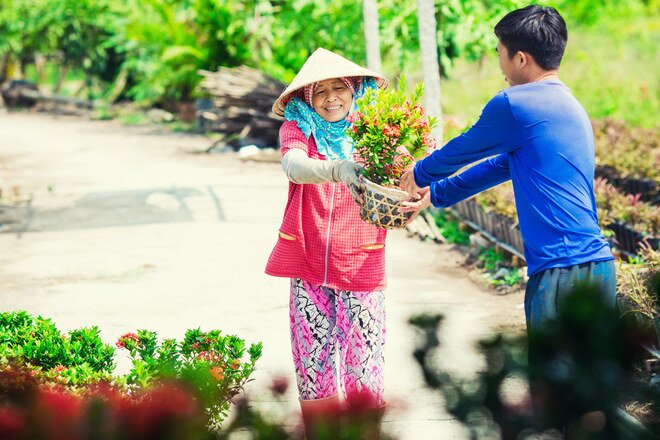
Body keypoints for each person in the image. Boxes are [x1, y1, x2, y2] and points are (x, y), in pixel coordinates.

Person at [400, 4, 616, 328]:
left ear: (521, 59)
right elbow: (499, 166)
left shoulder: (514, 104)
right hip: (598, 267)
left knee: (551, 378)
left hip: (561, 273)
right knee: (591, 378)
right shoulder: (568, 105)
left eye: (501, 53)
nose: (500, 66)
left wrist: (416, 175)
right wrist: (435, 193)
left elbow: (463, 149)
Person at [266, 48, 409, 439]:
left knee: (363, 360)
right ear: (307, 99)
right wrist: (336, 169)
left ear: (353, 90)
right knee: (312, 360)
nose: (331, 98)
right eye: (321, 91)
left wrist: (416, 186)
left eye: (339, 88)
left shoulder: (375, 131)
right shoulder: (298, 129)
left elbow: (405, 171)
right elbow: (294, 167)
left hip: (361, 261)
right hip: (307, 259)